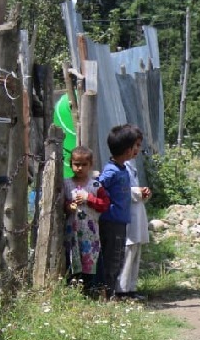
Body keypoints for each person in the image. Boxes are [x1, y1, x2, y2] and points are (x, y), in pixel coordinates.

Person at [96, 124, 140, 299]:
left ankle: (109, 292)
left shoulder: (122, 168)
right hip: (112, 221)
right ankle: (107, 293)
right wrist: (105, 201)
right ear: (127, 150)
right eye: (135, 146)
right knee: (112, 258)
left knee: (117, 257)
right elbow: (98, 185)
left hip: (120, 221)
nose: (136, 150)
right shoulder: (112, 171)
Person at [63, 146, 111, 290]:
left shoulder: (95, 186)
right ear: (71, 164)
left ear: (90, 165)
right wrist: (69, 206)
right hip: (72, 235)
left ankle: (93, 289)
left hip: (90, 235)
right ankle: (74, 288)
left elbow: (105, 205)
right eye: (76, 164)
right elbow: (61, 204)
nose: (80, 168)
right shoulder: (66, 184)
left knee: (91, 259)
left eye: (84, 164)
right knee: (72, 258)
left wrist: (89, 198)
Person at [117, 126, 152, 301]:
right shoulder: (118, 168)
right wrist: (137, 192)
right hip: (127, 215)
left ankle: (131, 288)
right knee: (127, 251)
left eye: (139, 145)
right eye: (134, 145)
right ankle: (121, 290)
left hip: (137, 213)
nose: (137, 149)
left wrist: (143, 193)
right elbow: (120, 191)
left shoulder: (131, 165)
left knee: (136, 250)